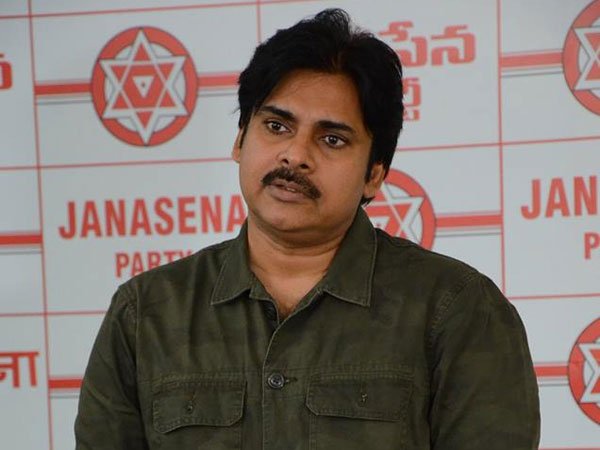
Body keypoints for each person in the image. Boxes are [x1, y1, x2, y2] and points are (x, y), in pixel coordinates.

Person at [75, 8, 540, 449]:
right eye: (276, 126)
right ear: (240, 140)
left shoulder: (456, 311)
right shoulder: (146, 316)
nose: (296, 155)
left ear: (374, 174)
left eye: (332, 139)